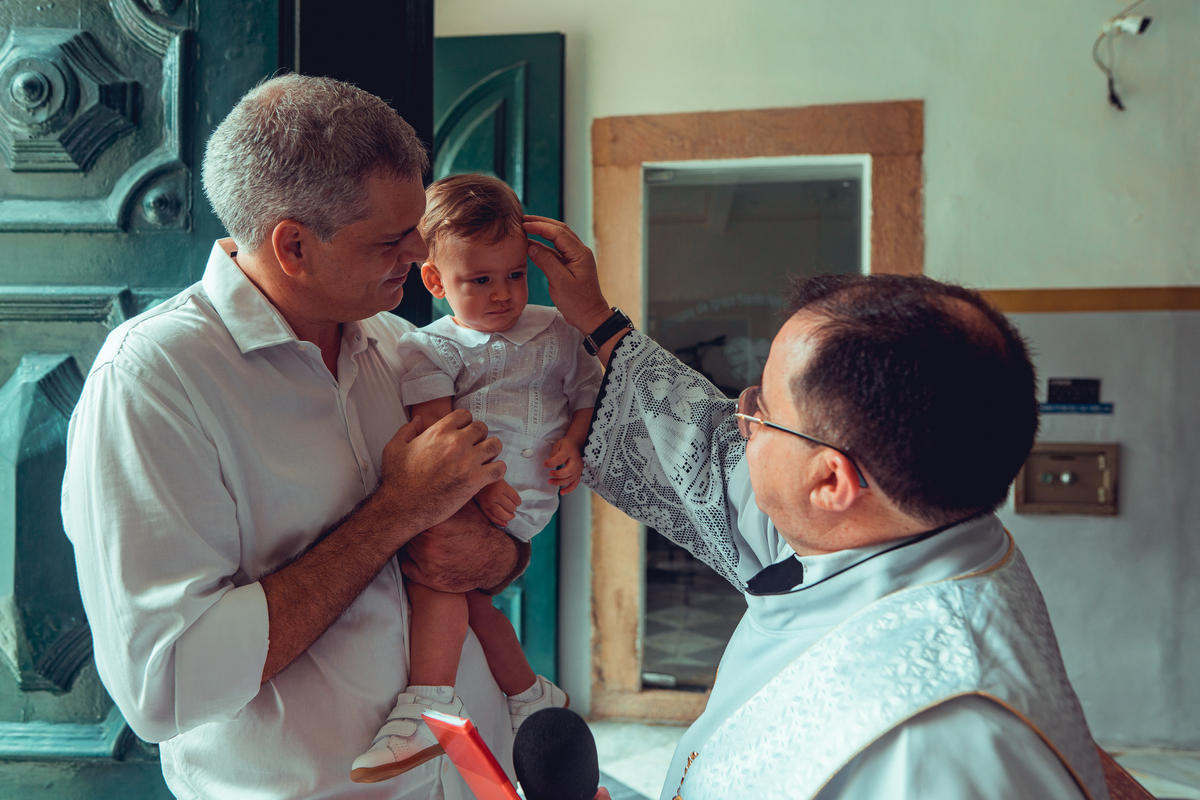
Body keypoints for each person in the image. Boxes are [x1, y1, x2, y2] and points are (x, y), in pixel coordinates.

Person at [522, 216, 1111, 800]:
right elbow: (704, 450)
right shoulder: (907, 522)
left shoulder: (935, 749)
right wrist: (598, 322)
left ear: (831, 480)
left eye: (760, 409)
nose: (739, 421)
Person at [61, 74, 529, 800]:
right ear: (294, 247)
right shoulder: (154, 380)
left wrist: (499, 553)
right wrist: (396, 511)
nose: (420, 248)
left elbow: (490, 554)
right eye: (390, 239)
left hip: (478, 778)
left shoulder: (409, 348)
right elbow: (165, 687)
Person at [352, 175, 596, 782]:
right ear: (435, 282)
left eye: (515, 275)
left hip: (530, 497)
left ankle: (428, 703)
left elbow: (590, 389)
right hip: (471, 494)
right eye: (479, 280)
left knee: (440, 587)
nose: (502, 294)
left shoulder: (556, 331)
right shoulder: (428, 348)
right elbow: (440, 434)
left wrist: (574, 440)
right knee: (466, 596)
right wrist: (480, 487)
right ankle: (529, 693)